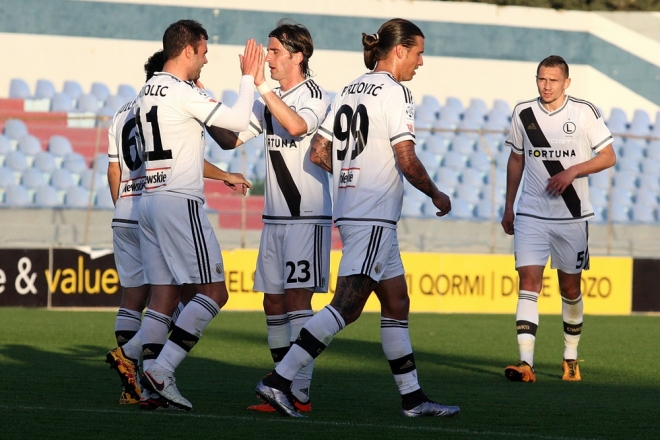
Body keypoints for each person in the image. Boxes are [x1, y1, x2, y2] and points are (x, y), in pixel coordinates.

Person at [254, 18, 460, 418]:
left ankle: (414, 398)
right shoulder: (397, 93)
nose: (421, 62)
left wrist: (351, 174)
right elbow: (406, 158)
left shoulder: (350, 88)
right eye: (418, 53)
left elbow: (318, 151)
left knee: (396, 302)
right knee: (346, 307)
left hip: (354, 211)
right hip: (373, 216)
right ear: (399, 50)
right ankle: (278, 381)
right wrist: (436, 192)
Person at [105, 49, 252, 409]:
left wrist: (122, 205)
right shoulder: (179, 94)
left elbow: (113, 169)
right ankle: (155, 369)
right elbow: (221, 133)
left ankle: (138, 377)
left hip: (133, 205)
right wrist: (249, 80)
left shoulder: (131, 106)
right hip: (171, 201)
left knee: (155, 297)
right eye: (201, 54)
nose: (203, 61)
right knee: (208, 293)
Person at [212, 19, 331, 414]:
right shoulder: (268, 101)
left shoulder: (315, 95)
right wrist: (203, 109)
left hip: (306, 219)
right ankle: (278, 386)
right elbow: (231, 139)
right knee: (272, 303)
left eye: (275, 51)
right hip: (274, 219)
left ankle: (299, 393)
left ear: (298, 56)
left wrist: (259, 83)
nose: (268, 58)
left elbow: (297, 126)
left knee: (298, 300)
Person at [501, 55, 616, 383]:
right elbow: (515, 159)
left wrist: (574, 170)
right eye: (541, 79)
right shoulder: (523, 113)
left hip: (572, 216)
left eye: (553, 80)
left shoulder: (584, 112)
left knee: (570, 289)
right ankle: (526, 364)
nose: (546, 86)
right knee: (529, 284)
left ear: (567, 83)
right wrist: (509, 206)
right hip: (531, 214)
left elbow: (608, 156)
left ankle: (570, 357)